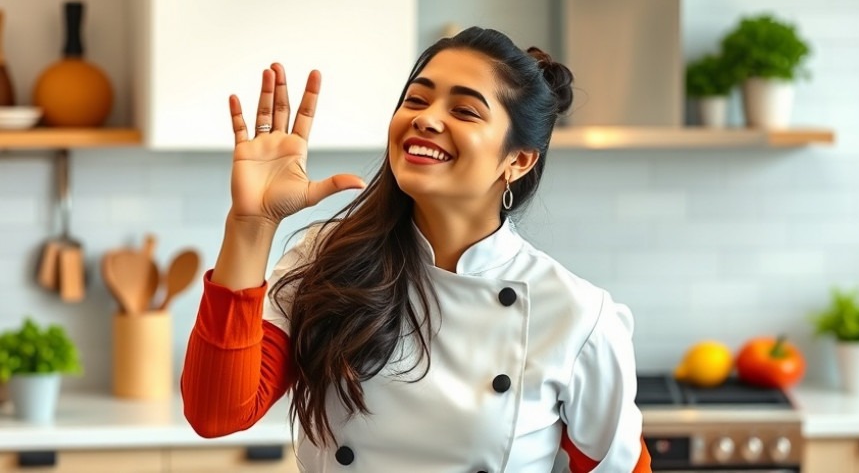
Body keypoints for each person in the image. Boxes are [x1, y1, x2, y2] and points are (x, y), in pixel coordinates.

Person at [181, 26, 652, 472]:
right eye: (416, 99)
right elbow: (216, 412)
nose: (425, 118)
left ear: (518, 160)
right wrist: (251, 223)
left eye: (465, 111)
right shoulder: (324, 258)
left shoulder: (576, 315)